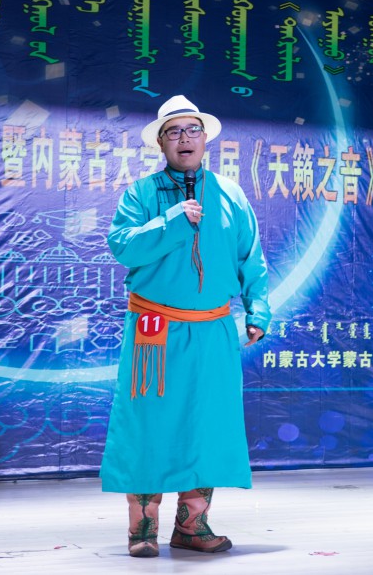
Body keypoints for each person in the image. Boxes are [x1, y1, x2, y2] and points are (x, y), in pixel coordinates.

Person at [100, 95, 271, 558]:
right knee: (148, 424)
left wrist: (258, 311)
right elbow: (123, 246)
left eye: (193, 130)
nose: (184, 139)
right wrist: (173, 220)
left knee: (207, 423)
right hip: (154, 328)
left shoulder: (231, 194)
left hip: (213, 328)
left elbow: (251, 258)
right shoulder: (141, 193)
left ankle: (192, 525)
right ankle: (142, 528)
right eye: (174, 132)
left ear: (205, 139)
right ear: (160, 142)